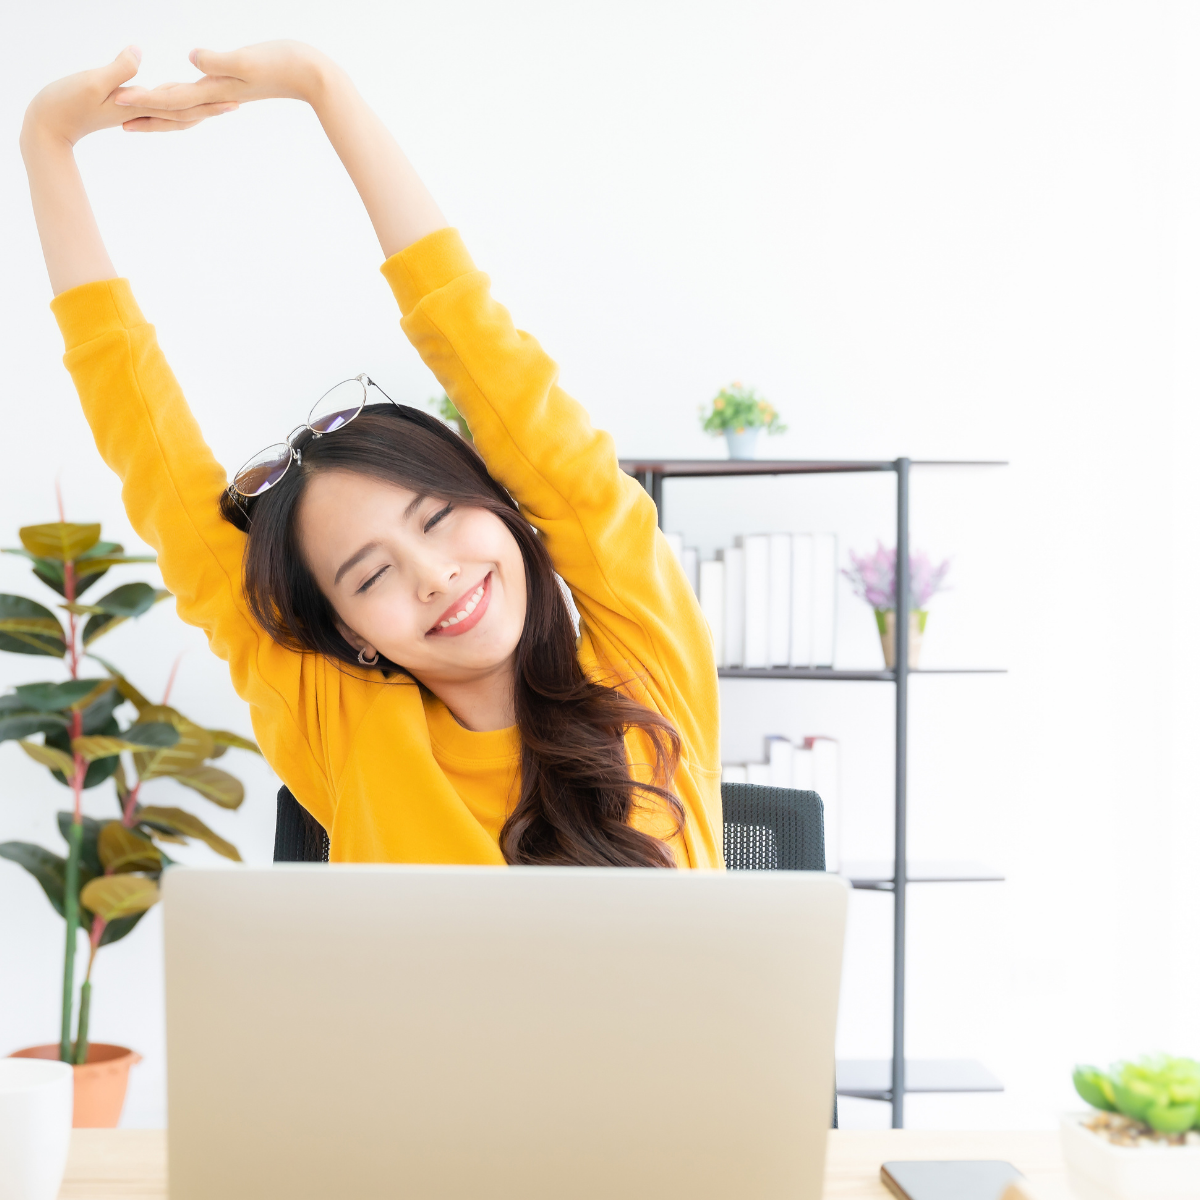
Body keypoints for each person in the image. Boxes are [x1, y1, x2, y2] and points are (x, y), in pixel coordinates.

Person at [20, 42, 722, 868]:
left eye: (437, 517)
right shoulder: (348, 732)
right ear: (349, 632)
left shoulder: (644, 659)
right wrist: (45, 145)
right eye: (370, 575)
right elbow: (156, 461)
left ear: (503, 506)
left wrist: (327, 92)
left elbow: (498, 371)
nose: (432, 574)